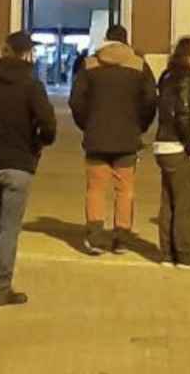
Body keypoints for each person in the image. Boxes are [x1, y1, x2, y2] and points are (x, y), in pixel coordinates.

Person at [0, 31, 57, 305]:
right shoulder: (32, 86)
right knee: (9, 228)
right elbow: (49, 125)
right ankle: (1, 287)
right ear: (26, 54)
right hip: (20, 163)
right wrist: (39, 144)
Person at [68, 25, 158, 255]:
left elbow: (76, 101)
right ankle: (122, 238)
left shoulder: (90, 64)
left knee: (96, 189)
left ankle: (95, 237)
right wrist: (140, 126)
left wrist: (86, 124)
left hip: (96, 136)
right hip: (128, 138)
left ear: (107, 39)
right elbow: (150, 101)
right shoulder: (139, 65)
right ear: (126, 41)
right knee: (125, 189)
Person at [155, 37, 190, 269]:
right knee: (185, 203)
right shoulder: (188, 79)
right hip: (178, 146)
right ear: (187, 55)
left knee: (168, 201)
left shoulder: (167, 76)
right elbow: (184, 115)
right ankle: (185, 253)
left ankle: (167, 252)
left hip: (163, 145)